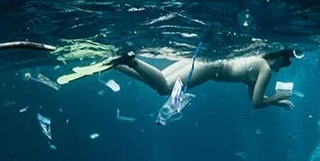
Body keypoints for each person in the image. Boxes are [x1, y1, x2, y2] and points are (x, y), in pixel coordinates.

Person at [112, 48, 301, 110]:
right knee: (164, 88)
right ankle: (131, 61)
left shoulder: (258, 62)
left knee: (158, 82)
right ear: (280, 57)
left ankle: (118, 63)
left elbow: (254, 98)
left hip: (206, 60)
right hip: (209, 67)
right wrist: (278, 97)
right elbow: (256, 104)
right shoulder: (265, 69)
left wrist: (276, 101)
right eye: (286, 62)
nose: (285, 66)